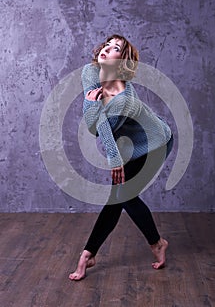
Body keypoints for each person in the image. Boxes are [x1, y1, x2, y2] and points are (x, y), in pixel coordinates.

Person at [69, 34, 173, 281]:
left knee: (123, 196)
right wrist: (91, 102)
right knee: (119, 197)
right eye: (106, 44)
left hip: (156, 143)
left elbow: (98, 127)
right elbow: (97, 123)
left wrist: (90, 104)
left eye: (115, 48)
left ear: (123, 61)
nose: (106, 49)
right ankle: (89, 254)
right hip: (128, 147)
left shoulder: (125, 100)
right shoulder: (90, 72)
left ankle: (155, 243)